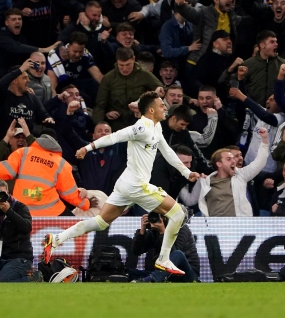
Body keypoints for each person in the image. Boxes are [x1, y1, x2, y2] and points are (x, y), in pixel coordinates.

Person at [44, 91, 200, 276]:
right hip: (136, 185)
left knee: (100, 222)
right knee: (178, 214)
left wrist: (186, 172)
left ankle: (57, 238)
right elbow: (114, 137)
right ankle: (163, 259)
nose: (165, 107)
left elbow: (168, 152)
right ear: (151, 110)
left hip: (125, 185)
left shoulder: (156, 128)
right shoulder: (141, 127)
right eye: (161, 105)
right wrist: (87, 148)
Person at [0, 132, 91, 217]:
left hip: (21, 211)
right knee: (72, 226)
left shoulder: (23, 153)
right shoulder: (61, 163)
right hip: (51, 212)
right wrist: (86, 204)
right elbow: (69, 193)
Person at [193, 128, 269, 217]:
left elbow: (259, 162)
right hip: (215, 227)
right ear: (219, 164)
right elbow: (191, 201)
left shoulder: (241, 175)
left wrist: (264, 140)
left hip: (239, 226)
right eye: (229, 159)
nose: (233, 161)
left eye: (233, 158)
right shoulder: (207, 181)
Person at [92, 47, 162, 132]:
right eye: (121, 65)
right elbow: (100, 105)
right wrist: (101, 122)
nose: (125, 69)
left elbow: (162, 90)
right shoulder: (108, 78)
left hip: (139, 121)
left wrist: (157, 92)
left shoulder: (144, 75)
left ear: (133, 59)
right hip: (116, 123)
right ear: (117, 61)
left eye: (128, 65)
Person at [131, 211, 199, 283]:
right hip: (165, 274)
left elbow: (174, 254)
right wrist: (142, 231)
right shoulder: (154, 231)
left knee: (178, 254)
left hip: (186, 273)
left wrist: (163, 232)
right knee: (131, 273)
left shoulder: (181, 228)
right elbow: (136, 251)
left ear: (165, 217)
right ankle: (150, 277)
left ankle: (152, 279)